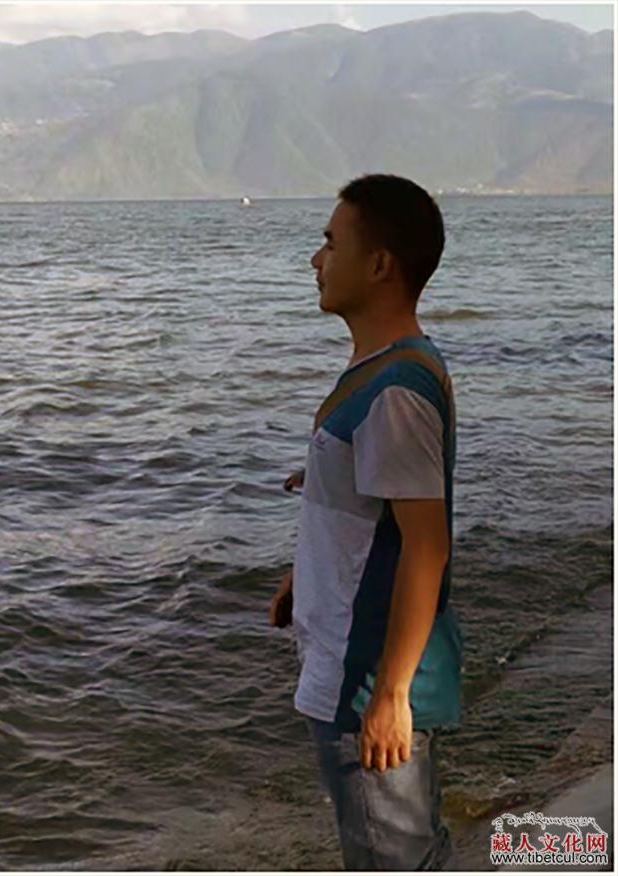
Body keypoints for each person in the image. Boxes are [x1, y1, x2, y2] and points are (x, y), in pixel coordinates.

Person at [269, 174, 463, 871]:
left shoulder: (395, 393)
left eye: (330, 243)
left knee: (394, 858)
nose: (316, 259)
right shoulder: (378, 371)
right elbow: (368, 504)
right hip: (346, 665)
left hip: (367, 683)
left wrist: (391, 696)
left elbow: (426, 548)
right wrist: (306, 573)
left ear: (379, 264)